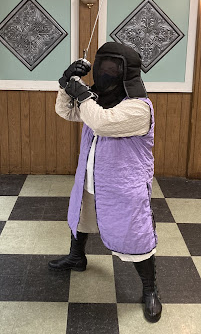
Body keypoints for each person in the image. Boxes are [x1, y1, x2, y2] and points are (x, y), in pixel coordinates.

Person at [48, 42, 162, 323]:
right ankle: (77, 257)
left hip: (124, 186)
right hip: (90, 176)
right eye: (102, 66)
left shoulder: (138, 109)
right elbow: (67, 111)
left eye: (113, 68)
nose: (105, 72)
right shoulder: (97, 100)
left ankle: (150, 289)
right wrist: (66, 83)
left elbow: (101, 123)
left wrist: (83, 93)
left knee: (135, 232)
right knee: (81, 215)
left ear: (128, 73)